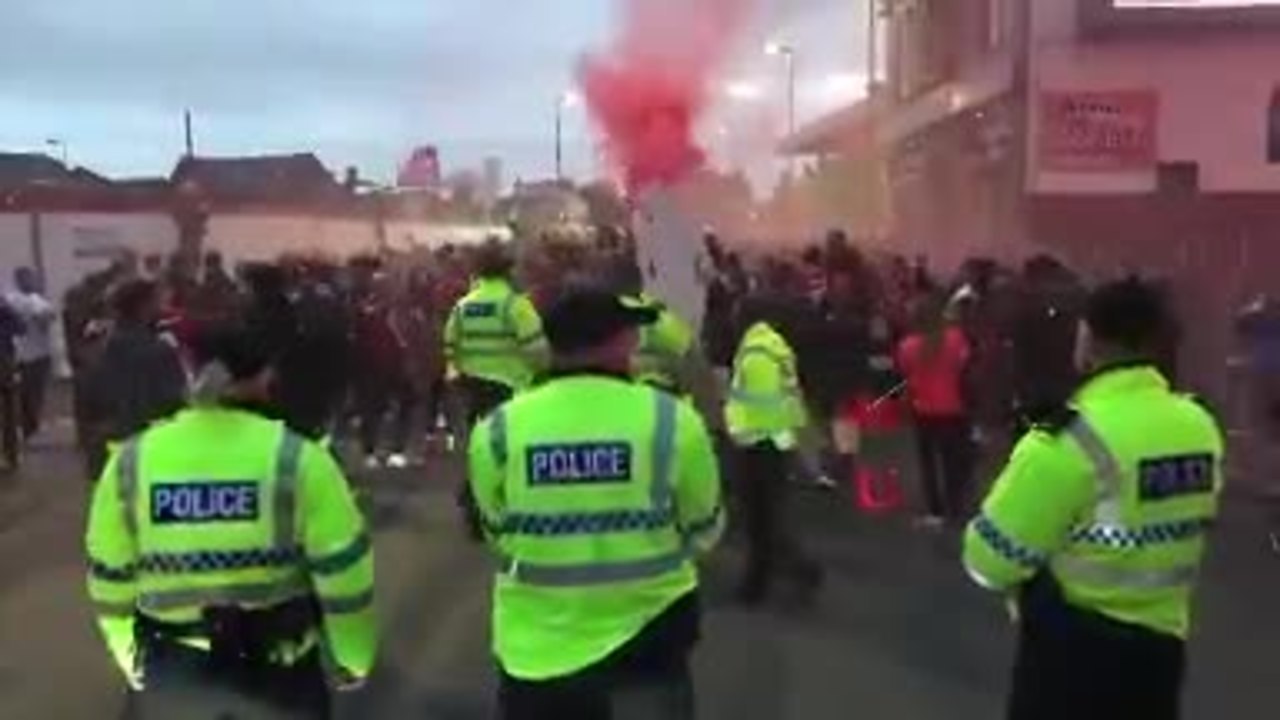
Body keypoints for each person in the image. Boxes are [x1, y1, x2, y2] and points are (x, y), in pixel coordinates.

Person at [84, 322, 377, 719]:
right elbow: (344, 572)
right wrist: (353, 655)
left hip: (175, 670)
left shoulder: (131, 463)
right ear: (266, 378)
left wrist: (129, 658)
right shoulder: (297, 457)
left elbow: (110, 578)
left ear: (190, 375)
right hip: (279, 670)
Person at [962, 277, 1224, 720]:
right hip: (1161, 655)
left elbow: (988, 560)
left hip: (1071, 661)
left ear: (1086, 337)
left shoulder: (1066, 443)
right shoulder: (1199, 424)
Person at [468, 287, 724, 719]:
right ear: (621, 342)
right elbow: (706, 529)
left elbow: (494, 529)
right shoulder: (671, 421)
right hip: (649, 633)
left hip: (537, 643)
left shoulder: (498, 430)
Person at [723, 293, 824, 607]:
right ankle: (784, 573)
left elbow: (764, 404)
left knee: (761, 518)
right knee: (767, 517)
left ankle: (766, 579)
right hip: (769, 443)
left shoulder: (756, 352)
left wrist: (747, 436)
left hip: (759, 444)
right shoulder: (770, 345)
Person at [445, 241, 547, 538]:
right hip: (509, 390)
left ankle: (474, 504)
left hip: (471, 388)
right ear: (509, 272)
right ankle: (502, 508)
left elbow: (451, 345)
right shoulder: (514, 305)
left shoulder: (464, 306)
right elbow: (537, 349)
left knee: (479, 447)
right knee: (510, 451)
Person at [81, 280, 188, 479]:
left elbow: (88, 400)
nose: (161, 308)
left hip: (108, 447)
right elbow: (174, 401)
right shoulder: (158, 351)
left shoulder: (97, 348)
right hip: (149, 447)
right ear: (143, 307)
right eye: (156, 302)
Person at [896, 292, 974, 526]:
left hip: (923, 409)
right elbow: (966, 365)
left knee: (928, 463)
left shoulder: (907, 346)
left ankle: (935, 511)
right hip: (955, 407)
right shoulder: (956, 338)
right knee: (953, 461)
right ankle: (955, 507)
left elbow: (906, 375)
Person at [8, 267, 56, 440]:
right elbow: (48, 315)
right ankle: (30, 427)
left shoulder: (10, 299)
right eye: (30, 278)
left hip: (20, 354)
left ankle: (25, 426)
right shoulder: (33, 299)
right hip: (36, 355)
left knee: (24, 394)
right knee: (34, 393)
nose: (33, 282)